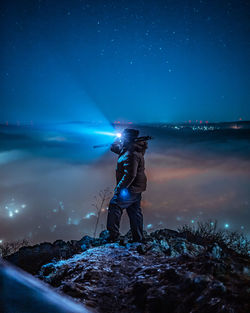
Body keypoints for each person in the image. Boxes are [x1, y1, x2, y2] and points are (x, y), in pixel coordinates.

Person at [106, 128, 148, 242]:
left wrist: (119, 189)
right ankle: (138, 238)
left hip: (130, 188)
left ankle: (113, 236)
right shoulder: (130, 149)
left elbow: (130, 175)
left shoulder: (131, 154)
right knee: (134, 212)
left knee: (115, 206)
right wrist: (116, 139)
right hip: (136, 188)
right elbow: (116, 148)